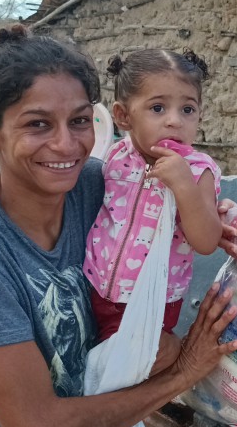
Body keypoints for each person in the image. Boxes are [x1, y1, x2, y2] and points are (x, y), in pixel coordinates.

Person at [0, 26, 237, 427]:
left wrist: (213, 213)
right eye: (37, 124)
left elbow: (182, 213)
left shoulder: (97, 185)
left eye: (78, 120)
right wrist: (184, 370)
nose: (66, 145)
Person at [82, 49, 221, 365]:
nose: (175, 121)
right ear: (123, 116)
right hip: (94, 286)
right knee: (93, 362)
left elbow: (206, 241)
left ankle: (138, 408)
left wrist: (183, 186)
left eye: (188, 109)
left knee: (129, 370)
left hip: (151, 301)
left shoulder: (198, 171)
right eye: (158, 108)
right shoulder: (117, 157)